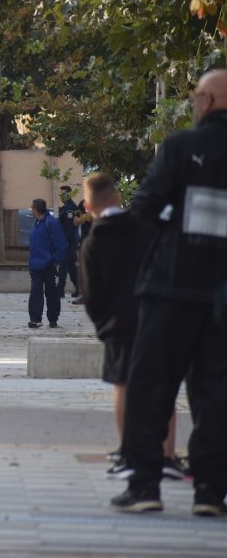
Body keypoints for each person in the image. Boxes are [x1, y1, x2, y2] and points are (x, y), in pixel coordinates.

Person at [112, 68, 227, 516]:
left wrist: (171, 228)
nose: (195, 105)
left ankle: (144, 485)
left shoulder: (182, 147)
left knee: (151, 385)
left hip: (172, 288)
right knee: (217, 392)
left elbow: (145, 206)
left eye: (198, 97)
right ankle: (211, 492)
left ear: (210, 102)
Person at [78, 172, 185, 482]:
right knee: (163, 385)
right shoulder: (145, 229)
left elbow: (90, 293)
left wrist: (103, 324)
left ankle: (128, 451)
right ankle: (167, 454)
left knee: (122, 386)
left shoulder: (93, 241)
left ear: (88, 204)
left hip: (118, 324)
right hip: (154, 317)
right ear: (118, 198)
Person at [27, 198, 66, 329]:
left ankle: (53, 319)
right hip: (36, 265)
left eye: (32, 208)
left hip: (50, 265)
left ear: (36, 209)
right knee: (35, 293)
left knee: (52, 293)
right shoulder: (36, 223)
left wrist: (57, 261)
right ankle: (35, 319)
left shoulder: (51, 223)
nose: (31, 210)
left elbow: (61, 243)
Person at [57, 185, 80, 299]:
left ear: (69, 195)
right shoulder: (65, 207)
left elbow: (70, 228)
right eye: (60, 194)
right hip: (66, 241)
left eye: (63, 194)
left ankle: (60, 290)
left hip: (69, 242)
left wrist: (67, 243)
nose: (61, 196)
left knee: (63, 266)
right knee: (71, 267)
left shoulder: (71, 208)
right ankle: (79, 289)